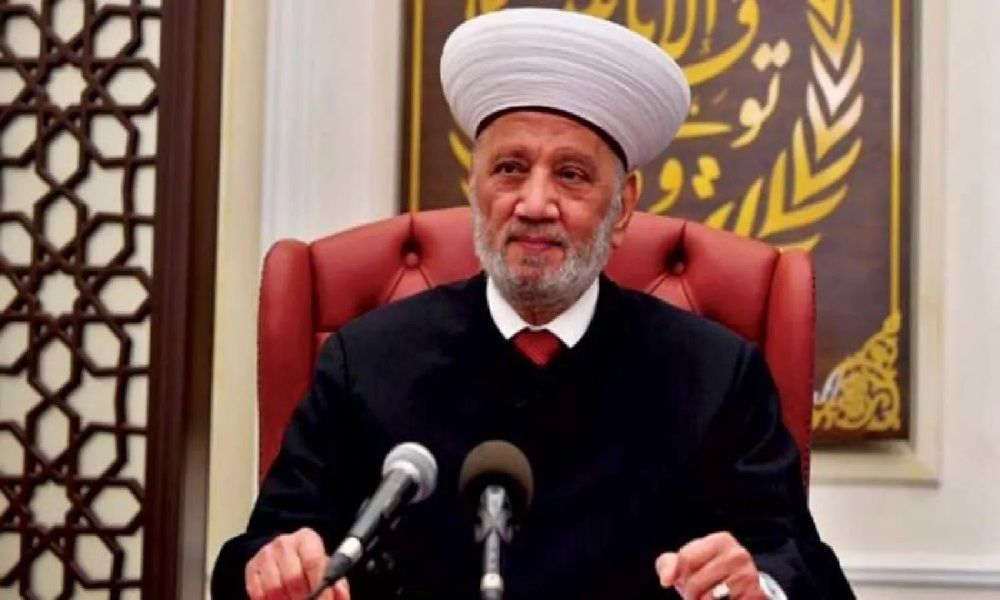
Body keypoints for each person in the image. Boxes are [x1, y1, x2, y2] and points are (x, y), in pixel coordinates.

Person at [212, 8, 853, 600]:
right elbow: (260, 550)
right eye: (510, 169)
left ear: (623, 207)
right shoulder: (366, 361)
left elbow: (804, 569)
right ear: (475, 188)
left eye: (571, 175)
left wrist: (756, 586)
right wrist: (273, 569)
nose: (535, 203)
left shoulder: (715, 374)